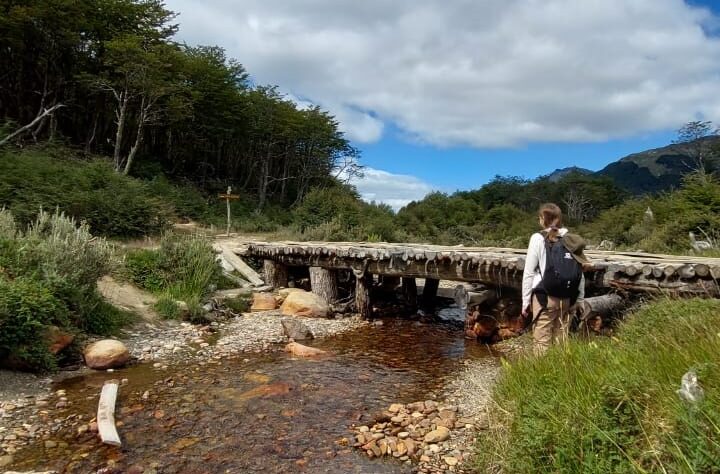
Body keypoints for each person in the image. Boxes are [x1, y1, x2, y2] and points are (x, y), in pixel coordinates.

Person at [521, 203, 589, 355]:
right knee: (561, 340)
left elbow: (529, 273)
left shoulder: (537, 238)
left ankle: (541, 376)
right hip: (568, 297)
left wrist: (525, 302)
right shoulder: (571, 239)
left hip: (545, 296)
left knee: (541, 341)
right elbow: (580, 271)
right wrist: (580, 299)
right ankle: (561, 375)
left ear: (542, 219)